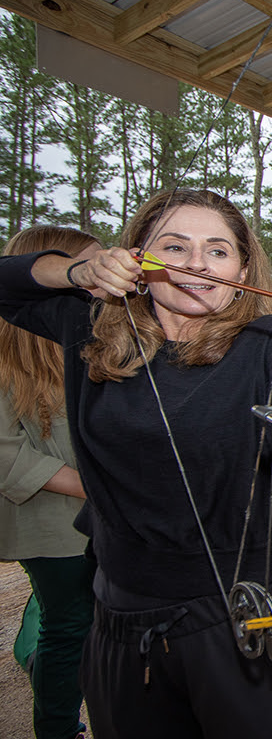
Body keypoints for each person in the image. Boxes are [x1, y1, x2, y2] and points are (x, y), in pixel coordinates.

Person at [0, 189, 272, 739]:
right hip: (123, 613)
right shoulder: (91, 328)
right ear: (136, 257)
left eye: (217, 250)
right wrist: (76, 271)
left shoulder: (267, 340)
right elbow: (9, 278)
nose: (196, 263)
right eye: (174, 246)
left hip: (251, 614)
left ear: (242, 265)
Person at [0, 225, 101, 739]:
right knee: (69, 627)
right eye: (81, 272)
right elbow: (7, 455)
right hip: (53, 526)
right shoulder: (7, 361)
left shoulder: (87, 342)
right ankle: (59, 728)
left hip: (102, 517)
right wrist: (99, 486)